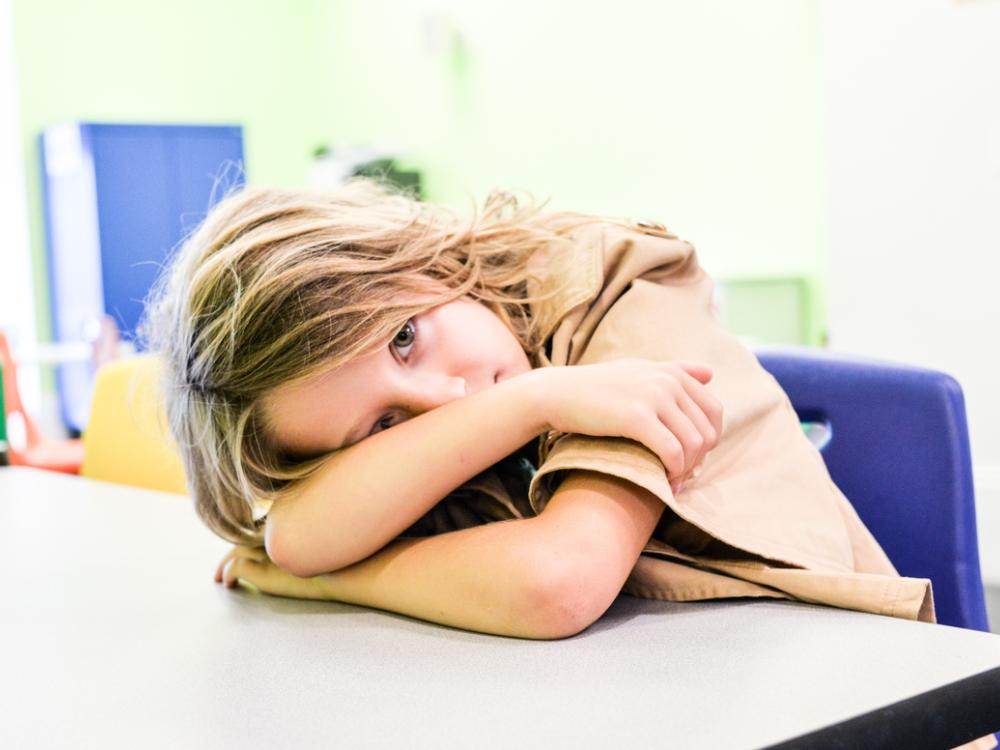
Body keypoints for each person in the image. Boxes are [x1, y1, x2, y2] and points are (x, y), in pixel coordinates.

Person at [143, 177, 934, 640]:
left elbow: (558, 583)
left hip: (860, 694)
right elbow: (295, 536)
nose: (446, 400)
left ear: (404, 257)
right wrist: (528, 402)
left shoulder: (611, 283)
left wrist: (318, 586)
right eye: (382, 429)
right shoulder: (495, 401)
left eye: (406, 338)